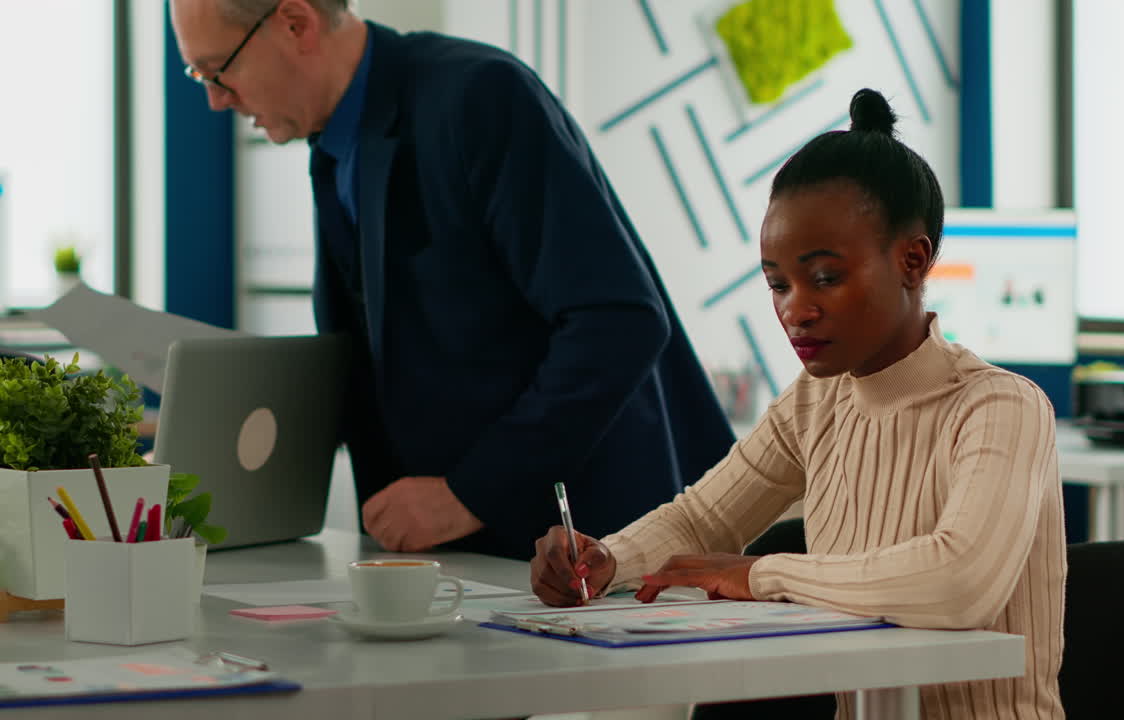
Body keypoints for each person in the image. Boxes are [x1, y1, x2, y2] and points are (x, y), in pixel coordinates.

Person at [532, 89, 1067, 720]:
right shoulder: (816, 402)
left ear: (912, 260)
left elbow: (959, 582)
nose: (795, 309)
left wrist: (759, 575)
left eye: (826, 278)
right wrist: (606, 558)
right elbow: (702, 522)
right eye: (778, 283)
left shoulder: (1001, 406)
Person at [169, 0, 735, 560]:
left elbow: (619, 322)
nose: (217, 99)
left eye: (220, 70)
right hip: (460, 569)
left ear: (296, 24)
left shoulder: (480, 95)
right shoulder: (333, 143)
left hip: (584, 554)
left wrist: (471, 493)